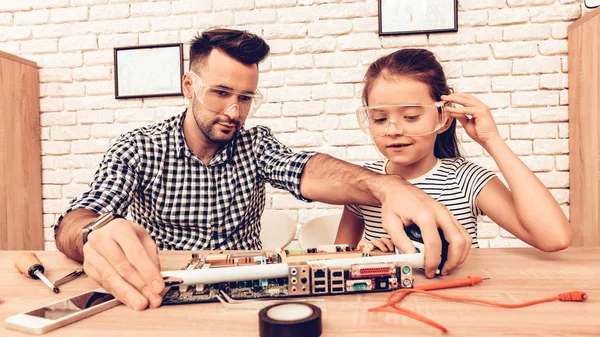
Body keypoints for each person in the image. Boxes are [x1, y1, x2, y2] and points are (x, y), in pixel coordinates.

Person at [54, 29, 470, 311]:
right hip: (163, 294)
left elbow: (306, 169)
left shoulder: (255, 144)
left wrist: (384, 186)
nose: (234, 112)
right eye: (220, 93)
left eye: (246, 98)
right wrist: (93, 233)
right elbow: (75, 219)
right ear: (188, 86)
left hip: (247, 298)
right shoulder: (140, 147)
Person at [335, 48, 572, 257]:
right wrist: (369, 253)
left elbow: (554, 238)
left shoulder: (465, 179)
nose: (393, 130)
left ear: (443, 118)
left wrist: (492, 140)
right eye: (380, 118)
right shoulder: (365, 181)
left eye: (411, 117)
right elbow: (339, 256)